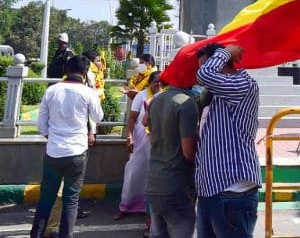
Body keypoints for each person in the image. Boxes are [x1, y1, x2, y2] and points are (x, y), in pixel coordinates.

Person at [30, 56, 104, 238]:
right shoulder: (88, 93)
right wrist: (93, 90)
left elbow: (41, 125)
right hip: (77, 153)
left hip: (53, 152)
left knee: (46, 198)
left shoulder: (52, 90)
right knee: (71, 200)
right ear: (85, 73)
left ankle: (36, 234)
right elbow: (99, 116)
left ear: (67, 70)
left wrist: (53, 137)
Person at [194, 43, 260, 238]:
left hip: (232, 193)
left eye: (208, 64)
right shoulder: (217, 97)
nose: (202, 73)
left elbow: (205, 75)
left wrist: (226, 51)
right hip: (211, 193)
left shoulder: (244, 85)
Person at [146, 78, 199, 238]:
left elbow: (146, 125)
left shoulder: (157, 99)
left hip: (154, 181)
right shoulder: (186, 103)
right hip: (176, 184)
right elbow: (188, 152)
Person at [115, 72, 161, 222]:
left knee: (153, 174)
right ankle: (126, 206)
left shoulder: (163, 96)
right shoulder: (141, 96)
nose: (158, 85)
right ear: (150, 83)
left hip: (157, 141)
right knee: (133, 171)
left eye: (161, 82)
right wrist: (129, 136)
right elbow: (133, 118)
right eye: (155, 82)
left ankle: (149, 210)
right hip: (140, 138)